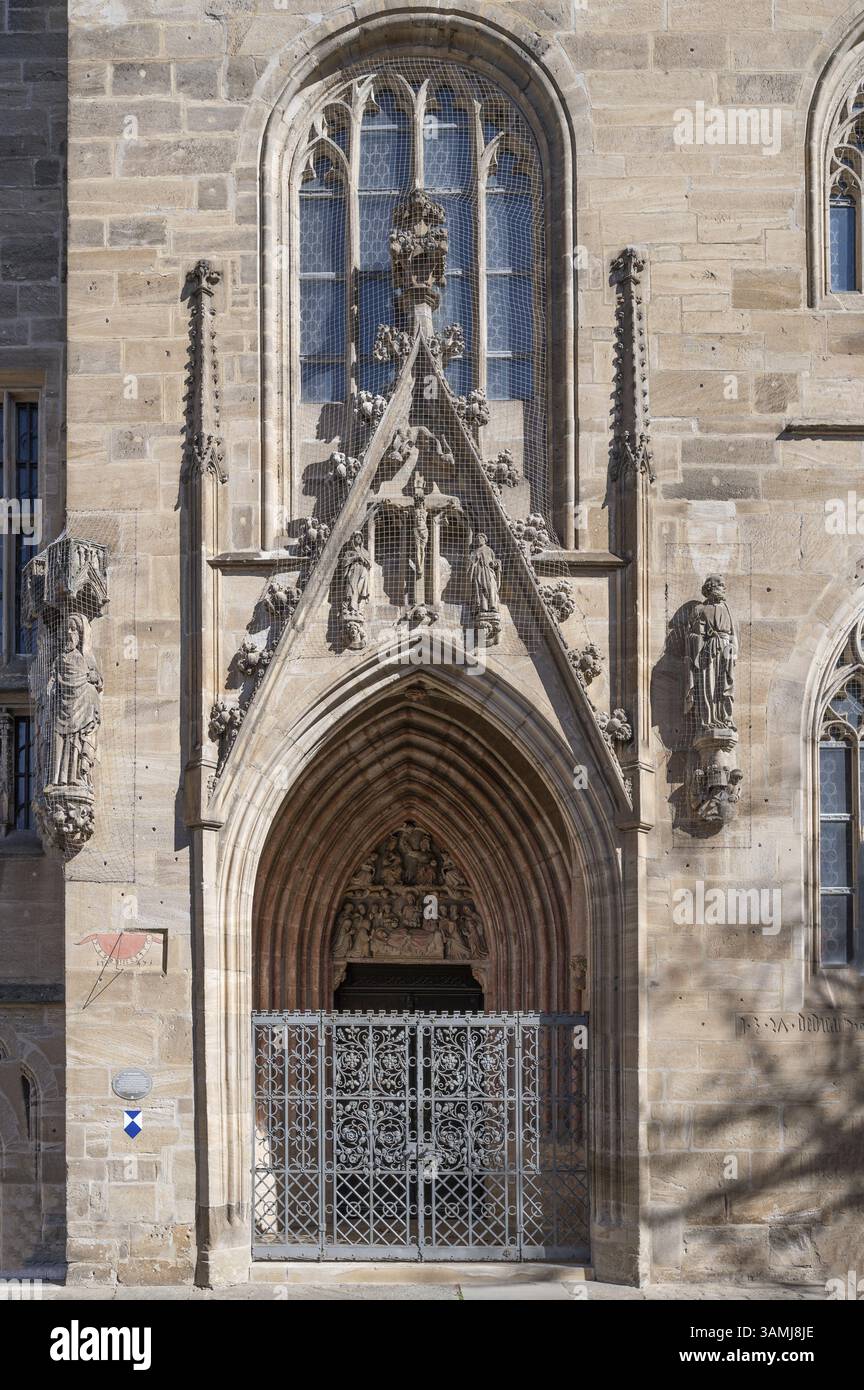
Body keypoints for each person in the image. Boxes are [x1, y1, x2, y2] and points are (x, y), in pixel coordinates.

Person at [48, 613, 103, 789]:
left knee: (77, 741)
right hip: (63, 709)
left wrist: (93, 679)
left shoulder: (86, 658)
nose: (69, 634)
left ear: (80, 635)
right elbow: (52, 680)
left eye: (73, 630)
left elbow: (97, 680)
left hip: (82, 708)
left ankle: (77, 775)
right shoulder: (58, 660)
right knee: (61, 742)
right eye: (66, 630)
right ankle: (59, 778)